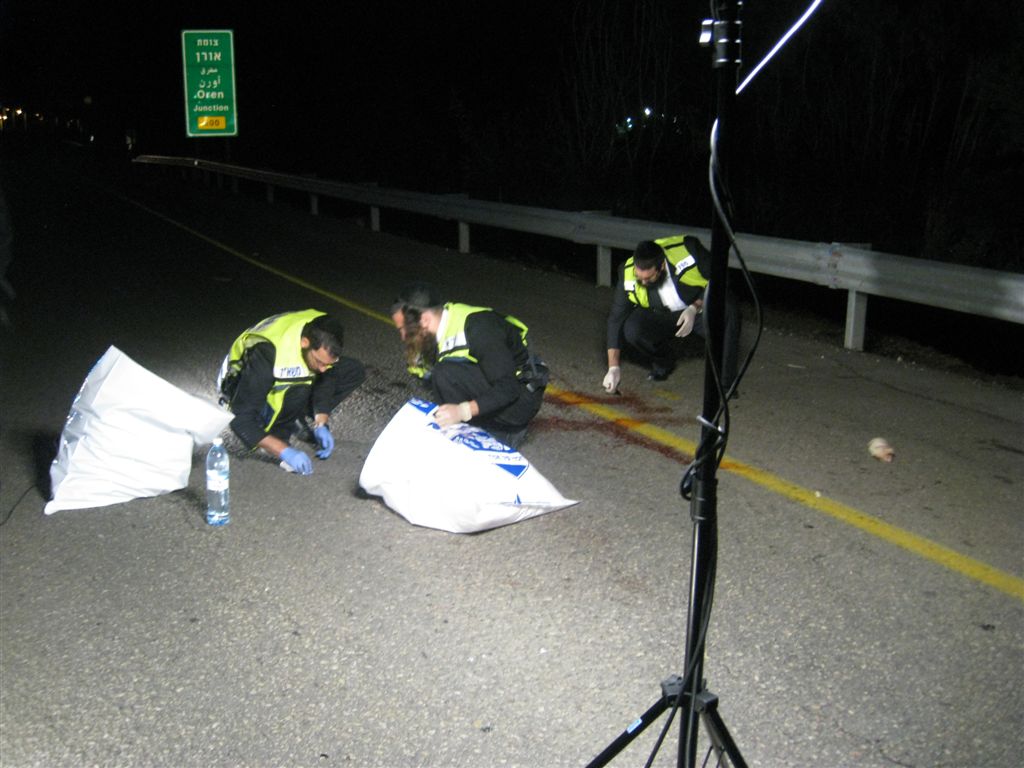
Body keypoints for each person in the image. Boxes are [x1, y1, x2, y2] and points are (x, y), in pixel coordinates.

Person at [391, 282, 548, 449]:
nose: (402, 336)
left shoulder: (479, 328)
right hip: (493, 392)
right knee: (439, 373)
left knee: (446, 373)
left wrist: (462, 411)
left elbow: (509, 388)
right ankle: (467, 431)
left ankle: (490, 435)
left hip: (519, 400)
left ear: (425, 320)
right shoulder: (433, 336)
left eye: (404, 329)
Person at [217, 309, 366, 475]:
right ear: (304, 342)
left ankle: (298, 416)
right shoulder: (268, 352)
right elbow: (240, 419)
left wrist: (321, 421)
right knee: (298, 390)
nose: (324, 369)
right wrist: (284, 450)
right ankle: (278, 430)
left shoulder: (323, 328)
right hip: (241, 385)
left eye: (328, 364)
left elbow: (326, 379)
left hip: (284, 373)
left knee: (353, 370)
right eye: (320, 362)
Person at [603, 235, 740, 393]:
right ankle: (663, 363)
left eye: (648, 278)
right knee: (632, 328)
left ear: (661, 267)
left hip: (696, 308)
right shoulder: (626, 273)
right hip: (663, 314)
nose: (643, 283)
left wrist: (695, 307)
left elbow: (721, 278)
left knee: (728, 308)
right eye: (639, 277)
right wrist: (613, 368)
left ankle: (726, 383)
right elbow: (615, 319)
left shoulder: (688, 249)